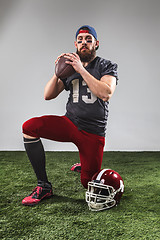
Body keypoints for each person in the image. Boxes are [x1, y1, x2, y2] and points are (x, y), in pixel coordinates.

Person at [22, 25, 118, 206]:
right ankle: (44, 185)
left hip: (93, 131)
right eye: (80, 40)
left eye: (89, 40)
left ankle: (86, 163)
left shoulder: (106, 65)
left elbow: (105, 93)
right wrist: (58, 71)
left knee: (88, 184)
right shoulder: (70, 67)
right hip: (70, 123)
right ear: (75, 44)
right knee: (29, 127)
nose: (84, 43)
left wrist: (81, 69)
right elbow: (47, 95)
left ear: (96, 44)